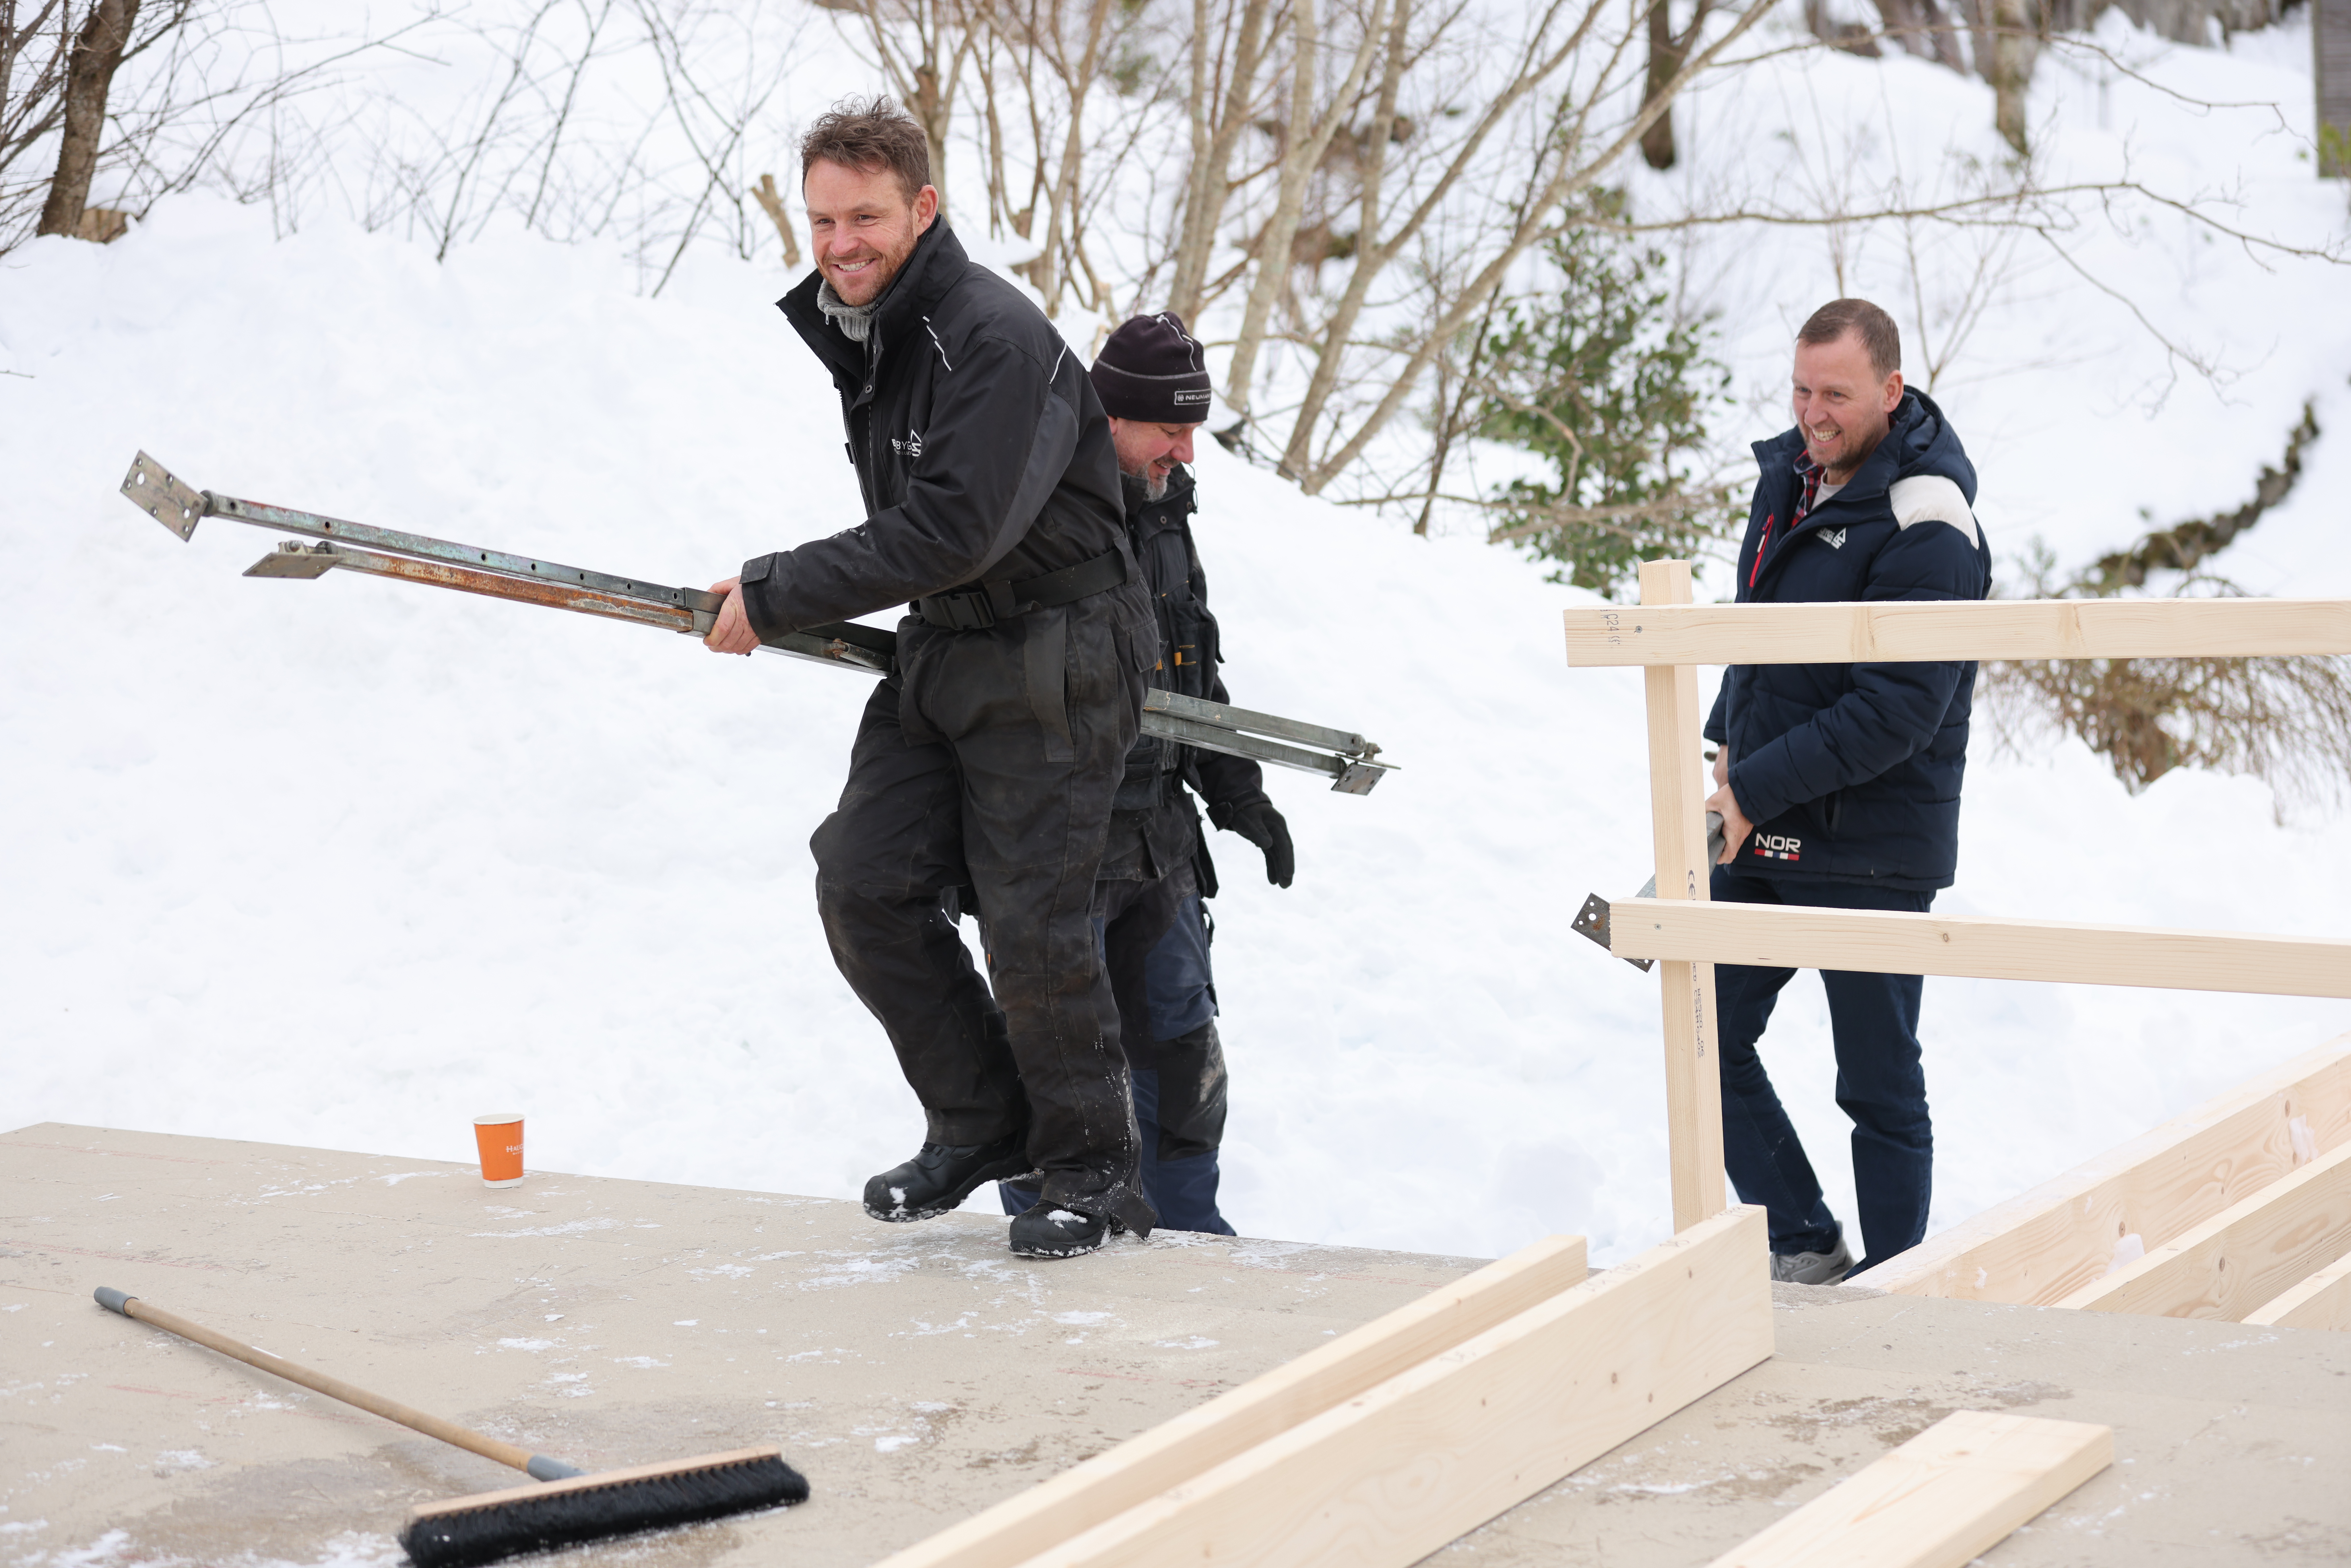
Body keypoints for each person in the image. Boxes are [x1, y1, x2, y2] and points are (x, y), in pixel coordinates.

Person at [700, 99, 1160, 1260]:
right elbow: (938, 543)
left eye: (863, 216)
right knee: (862, 877)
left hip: (1059, 648)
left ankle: (1095, 1171)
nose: (839, 242)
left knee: (1032, 922)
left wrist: (776, 588)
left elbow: (953, 525)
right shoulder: (883, 330)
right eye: (819, 220)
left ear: (922, 208)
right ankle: (982, 1119)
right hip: (952, 642)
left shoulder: (984, 336)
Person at [1701, 297, 1991, 1285]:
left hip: (1870, 842)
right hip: (1767, 819)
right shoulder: (1791, 476)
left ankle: (1898, 1287)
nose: (1813, 412)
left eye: (1836, 394)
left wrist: (1752, 789)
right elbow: (1758, 633)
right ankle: (1804, 1241)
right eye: (1801, 388)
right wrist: (1724, 751)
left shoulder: (1931, 522)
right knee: (1703, 1031)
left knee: (1875, 1084)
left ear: (1892, 391)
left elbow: (1897, 713)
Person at [997, 313, 1294, 1237]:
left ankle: (1190, 1249)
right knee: (1057, 1065)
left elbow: (1189, 670)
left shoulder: (1167, 509)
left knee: (1182, 1062)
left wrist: (1237, 788)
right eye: (1171, 428)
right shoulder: (1029, 505)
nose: (1186, 449)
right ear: (1112, 417)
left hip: (1160, 846)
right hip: (1061, 847)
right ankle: (1048, 1260)